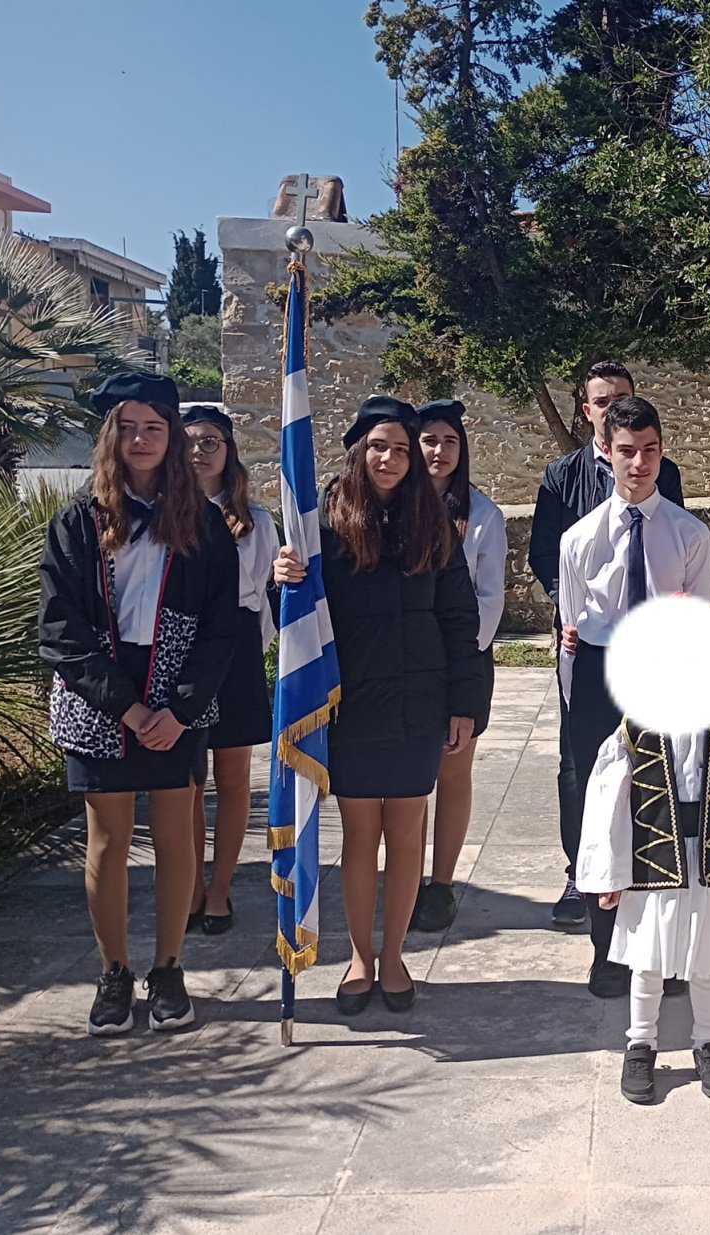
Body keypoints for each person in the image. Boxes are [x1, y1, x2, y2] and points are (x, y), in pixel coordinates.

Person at [272, 395, 487, 1015]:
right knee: (361, 836)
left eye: (400, 449)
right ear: (358, 453)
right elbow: (297, 614)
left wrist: (464, 703)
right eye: (377, 447)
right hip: (353, 703)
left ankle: (394, 956)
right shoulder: (324, 524)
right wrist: (283, 576)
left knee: (407, 833)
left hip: (421, 702)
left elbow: (460, 618)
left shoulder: (433, 524)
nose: (389, 459)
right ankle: (361, 957)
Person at [39, 372, 238, 1035]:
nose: (141, 439)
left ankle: (169, 968)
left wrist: (179, 710)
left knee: (178, 834)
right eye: (128, 428)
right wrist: (125, 707)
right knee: (108, 837)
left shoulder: (204, 523)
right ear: (110, 436)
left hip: (177, 693)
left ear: (172, 436)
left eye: (154, 427)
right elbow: (59, 627)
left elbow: (221, 627)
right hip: (99, 692)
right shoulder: (77, 519)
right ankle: (114, 971)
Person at [558, 394, 710, 997]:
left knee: (662, 808)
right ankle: (606, 952)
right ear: (606, 451)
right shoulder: (580, 539)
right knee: (602, 807)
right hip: (601, 675)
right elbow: (571, 628)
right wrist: (575, 706)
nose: (640, 463)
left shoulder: (689, 535)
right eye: (627, 451)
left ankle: (662, 953)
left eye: (650, 450)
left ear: (662, 450)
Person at [529, 361, 686, 931]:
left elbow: (673, 542)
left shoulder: (662, 472)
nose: (612, 407)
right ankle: (582, 872)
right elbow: (547, 552)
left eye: (622, 396)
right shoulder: (562, 476)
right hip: (586, 642)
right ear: (587, 410)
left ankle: (649, 867)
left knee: (655, 755)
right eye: (602, 400)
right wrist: (570, 610)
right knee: (581, 761)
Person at [576, 709, 710, 1103]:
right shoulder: (635, 726)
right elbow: (608, 798)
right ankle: (640, 1044)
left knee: (707, 960)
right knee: (647, 961)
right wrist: (609, 873)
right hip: (652, 861)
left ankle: (708, 1042)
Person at [409, 399, 508, 933]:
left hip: (459, 660)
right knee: (409, 779)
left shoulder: (483, 515)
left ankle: (441, 883)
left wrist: (460, 658)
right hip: (405, 663)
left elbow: (489, 598)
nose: (440, 451)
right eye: (430, 440)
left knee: (452, 772)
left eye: (450, 441)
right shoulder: (394, 507)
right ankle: (406, 878)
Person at [182, 405, 279, 936]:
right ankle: (191, 885)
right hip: (183, 646)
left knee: (233, 777)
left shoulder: (255, 521)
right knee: (189, 780)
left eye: (210, 441)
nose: (199, 451)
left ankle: (220, 888)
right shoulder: (165, 513)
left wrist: (246, 653)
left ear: (228, 451)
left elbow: (262, 601)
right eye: (190, 441)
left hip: (237, 650)